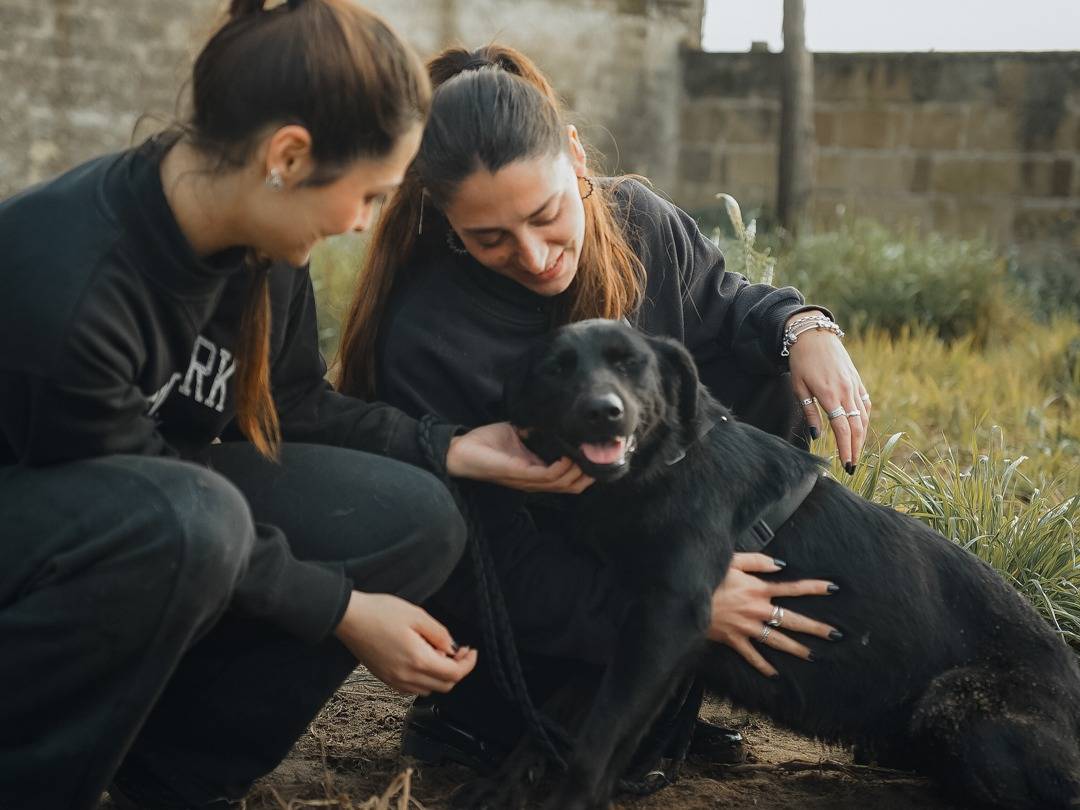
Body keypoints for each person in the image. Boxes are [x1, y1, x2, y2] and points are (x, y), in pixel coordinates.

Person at [0, 9, 587, 810]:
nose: (363, 224)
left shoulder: (260, 244)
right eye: (371, 195)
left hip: (146, 508)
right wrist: (340, 609)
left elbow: (294, 406)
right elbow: (145, 500)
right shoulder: (72, 287)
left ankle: (172, 780)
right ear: (287, 156)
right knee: (193, 519)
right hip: (52, 533)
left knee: (415, 518)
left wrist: (447, 447)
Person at [335, 45, 871, 770]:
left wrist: (804, 329)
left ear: (578, 159)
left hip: (633, 544)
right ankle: (493, 713)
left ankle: (666, 684)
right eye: (490, 239)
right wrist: (675, 610)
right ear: (444, 220)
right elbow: (483, 559)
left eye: (547, 214)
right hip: (521, 599)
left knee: (765, 372)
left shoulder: (638, 220)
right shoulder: (426, 336)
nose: (533, 255)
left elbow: (726, 305)